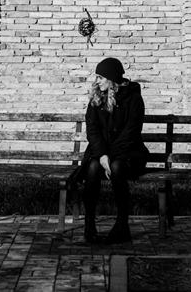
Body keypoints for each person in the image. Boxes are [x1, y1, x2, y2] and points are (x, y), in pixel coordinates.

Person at [80, 57, 149, 244]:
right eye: (97, 77)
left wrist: (109, 157)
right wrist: (103, 155)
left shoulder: (133, 98)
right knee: (93, 167)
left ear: (112, 79)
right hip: (101, 153)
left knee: (117, 167)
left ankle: (122, 226)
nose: (97, 81)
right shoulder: (97, 98)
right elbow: (92, 130)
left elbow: (131, 132)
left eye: (101, 77)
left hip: (129, 153)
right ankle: (89, 225)